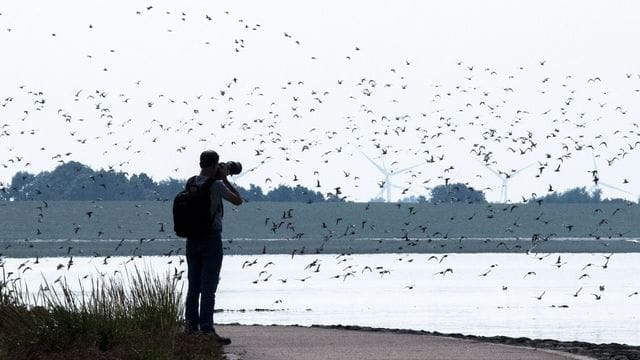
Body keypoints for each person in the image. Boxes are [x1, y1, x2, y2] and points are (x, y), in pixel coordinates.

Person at [185, 150, 242, 344]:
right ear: (214, 165)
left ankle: (191, 329)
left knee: (193, 287)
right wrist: (225, 178)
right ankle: (207, 331)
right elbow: (238, 200)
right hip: (211, 240)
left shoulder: (190, 182)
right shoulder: (216, 185)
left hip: (191, 240)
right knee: (208, 288)